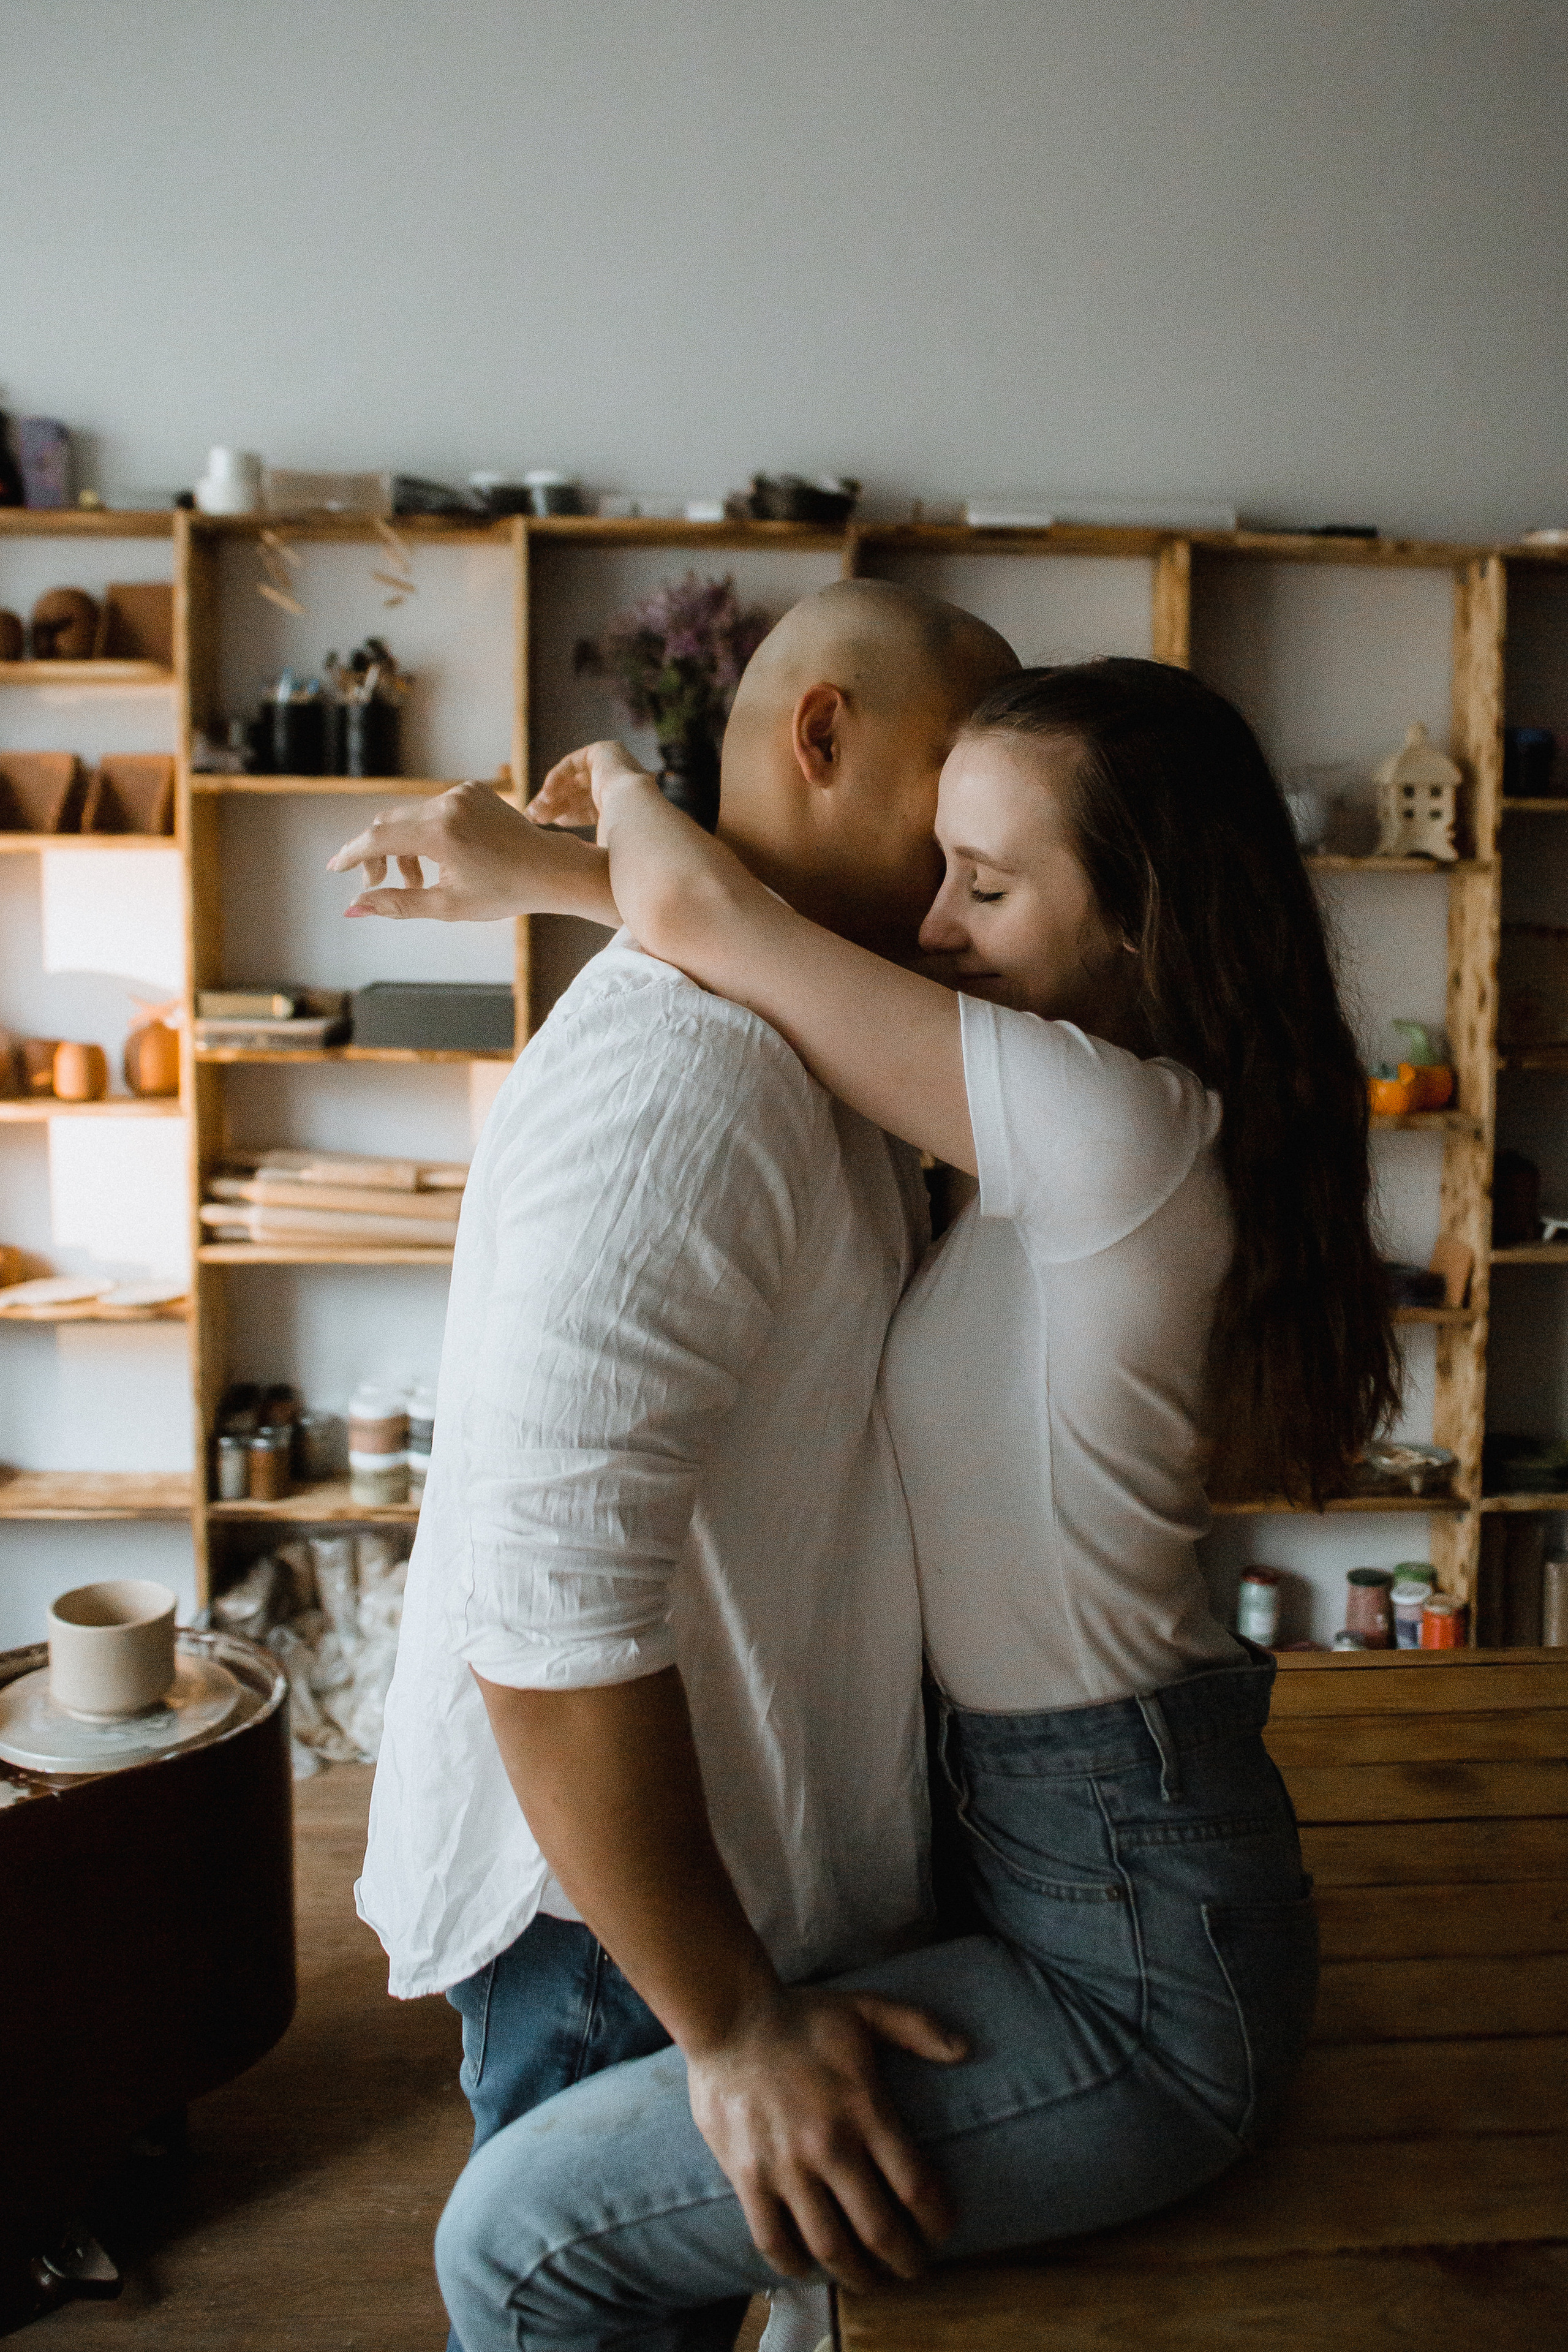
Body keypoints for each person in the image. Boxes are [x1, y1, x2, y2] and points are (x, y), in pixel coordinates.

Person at [336, 655, 1398, 2352]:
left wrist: (596, 795)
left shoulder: (1113, 1131)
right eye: (934, 870)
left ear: (1142, 922)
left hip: (1126, 1945)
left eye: (984, 884)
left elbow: (717, 915)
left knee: (521, 2243)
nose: (930, 925)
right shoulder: (1042, 1144)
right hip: (1055, 1846)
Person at [340, 581, 1020, 2352]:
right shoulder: (690, 1080)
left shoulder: (803, 1028)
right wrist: (725, 2023)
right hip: (629, 1955)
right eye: (963, 781)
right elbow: (541, 1599)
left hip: (720, 1898)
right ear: (821, 740)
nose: (993, 842)